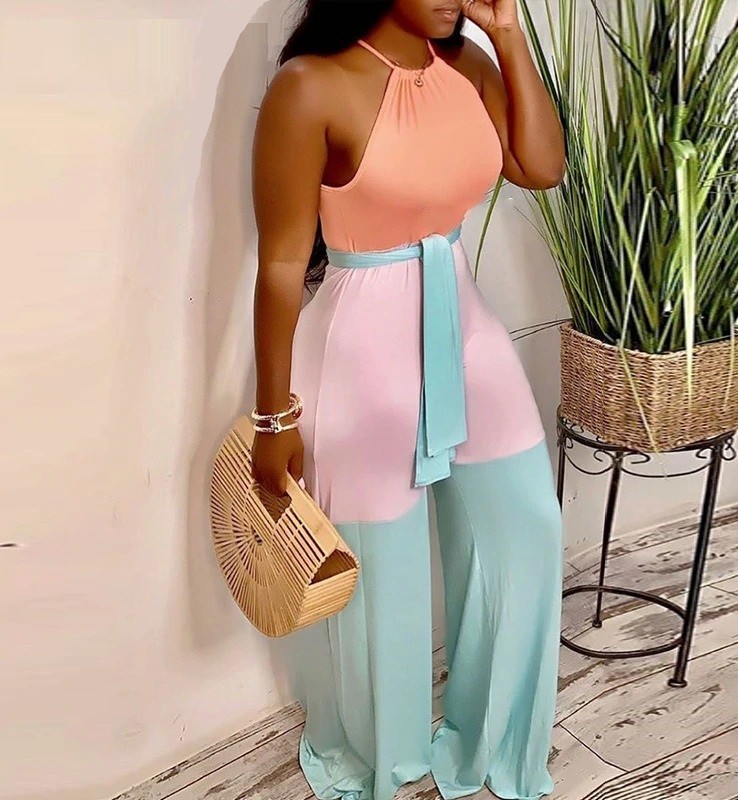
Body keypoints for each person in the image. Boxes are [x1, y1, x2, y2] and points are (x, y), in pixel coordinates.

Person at [249, 1, 566, 798]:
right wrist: (273, 416)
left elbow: (541, 167)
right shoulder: (310, 87)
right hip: (360, 351)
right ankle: (384, 758)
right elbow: (281, 264)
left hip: (463, 322)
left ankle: (491, 744)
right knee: (380, 574)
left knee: (526, 526)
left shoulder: (470, 66)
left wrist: (509, 34)